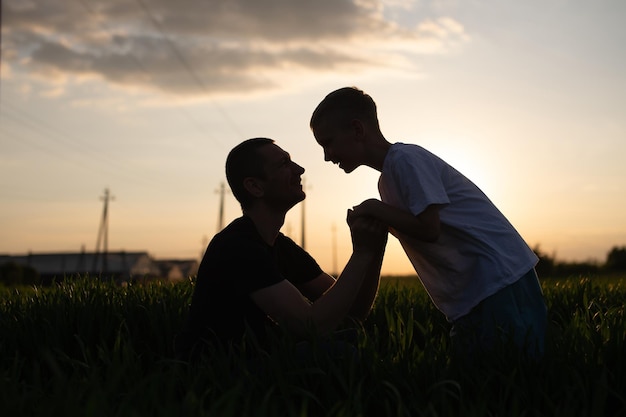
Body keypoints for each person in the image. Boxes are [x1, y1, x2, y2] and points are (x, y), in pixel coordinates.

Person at [309, 87, 547, 360]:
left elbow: (429, 229)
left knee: (514, 371)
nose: (327, 156)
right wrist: (376, 224)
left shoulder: (406, 160)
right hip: (473, 293)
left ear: (357, 130)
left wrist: (376, 209)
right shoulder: (387, 179)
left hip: (498, 281)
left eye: (328, 142)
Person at [176, 137, 388, 362]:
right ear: (255, 187)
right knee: (344, 354)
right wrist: (361, 254)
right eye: (284, 164)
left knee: (356, 337)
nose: (300, 170)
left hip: (260, 354)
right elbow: (310, 326)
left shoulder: (280, 245)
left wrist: (374, 251)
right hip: (222, 369)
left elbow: (350, 312)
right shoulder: (237, 247)